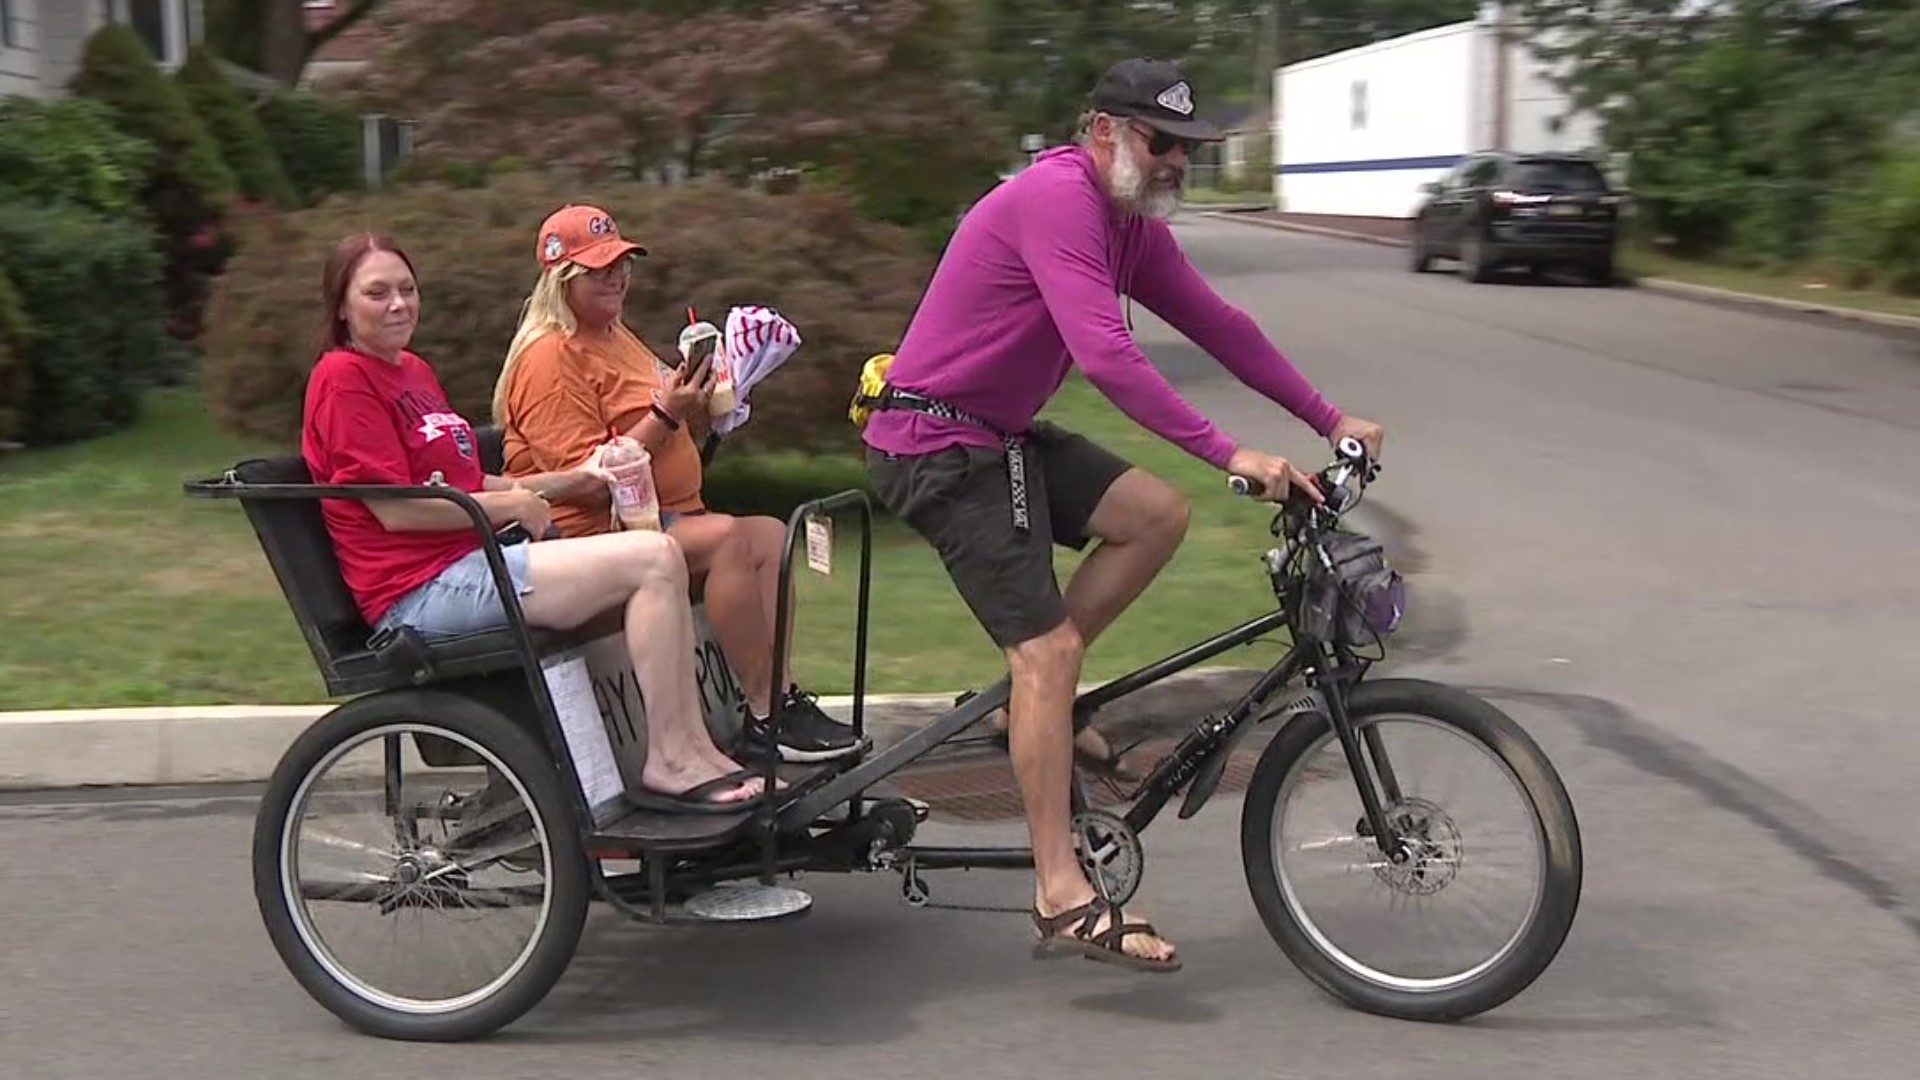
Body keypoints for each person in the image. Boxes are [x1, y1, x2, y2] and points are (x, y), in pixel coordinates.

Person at [859, 58, 1386, 972]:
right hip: (936, 445)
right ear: (1103, 129)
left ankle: (1032, 704)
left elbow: (1221, 325)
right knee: (1048, 651)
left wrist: (1329, 418)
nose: (1177, 159)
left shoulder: (1127, 222)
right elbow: (1105, 355)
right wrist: (1233, 453)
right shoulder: (1058, 198)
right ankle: (1059, 892)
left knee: (1154, 515)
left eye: (1188, 146)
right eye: (1160, 141)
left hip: (998, 431)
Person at [302, 230, 774, 813]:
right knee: (652, 557)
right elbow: (396, 509)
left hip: (472, 562)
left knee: (661, 554)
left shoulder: (413, 373)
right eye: (377, 293)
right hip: (418, 590)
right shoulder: (343, 379)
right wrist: (511, 506)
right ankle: (670, 758)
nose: (398, 304)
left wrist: (556, 483)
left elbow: (469, 482)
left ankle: (696, 747)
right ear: (342, 307)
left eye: (407, 288)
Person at [489, 204, 866, 766]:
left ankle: (780, 696)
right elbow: (586, 484)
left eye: (621, 264)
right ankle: (767, 715)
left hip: (660, 517)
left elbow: (653, 429)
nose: (616, 277)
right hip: (587, 537)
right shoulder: (550, 357)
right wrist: (668, 415)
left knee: (768, 537)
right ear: (561, 279)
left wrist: (705, 403)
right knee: (725, 541)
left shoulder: (614, 334)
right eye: (598, 271)